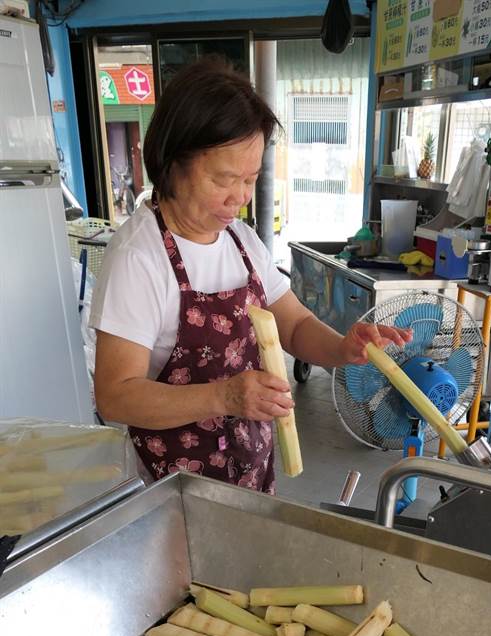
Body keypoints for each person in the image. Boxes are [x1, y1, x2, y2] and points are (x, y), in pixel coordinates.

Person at [91, 58, 410, 492]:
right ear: (172, 162)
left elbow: (293, 324)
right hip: (170, 487)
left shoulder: (241, 240)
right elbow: (116, 394)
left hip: (248, 471)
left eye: (251, 178)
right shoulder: (139, 257)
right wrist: (224, 396)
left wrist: (343, 348)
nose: (239, 197)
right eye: (224, 179)